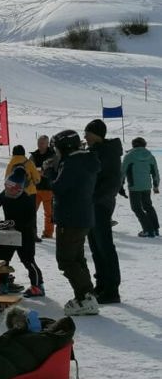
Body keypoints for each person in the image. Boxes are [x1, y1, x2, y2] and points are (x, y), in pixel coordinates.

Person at [50, 129, 101, 316]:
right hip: (82, 216)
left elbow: (59, 188)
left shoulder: (72, 162)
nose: (56, 152)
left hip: (70, 218)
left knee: (66, 260)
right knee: (77, 258)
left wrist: (49, 173)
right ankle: (86, 295)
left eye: (57, 148)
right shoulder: (85, 160)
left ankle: (86, 298)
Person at [84, 119, 123, 304]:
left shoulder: (109, 153)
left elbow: (113, 181)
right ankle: (101, 284)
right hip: (92, 204)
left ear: (97, 134)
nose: (85, 137)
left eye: (88, 133)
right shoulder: (95, 151)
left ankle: (112, 288)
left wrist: (96, 197)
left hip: (101, 204)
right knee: (95, 245)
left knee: (104, 245)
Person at [0, 167, 45, 297]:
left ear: (20, 188)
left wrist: (8, 224)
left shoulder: (27, 199)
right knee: (3, 260)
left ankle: (38, 285)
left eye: (13, 187)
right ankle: (3, 283)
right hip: (9, 234)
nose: (10, 190)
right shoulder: (4, 194)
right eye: (8, 185)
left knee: (28, 260)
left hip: (25, 235)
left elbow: (28, 220)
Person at [122, 137, 160, 238]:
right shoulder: (150, 156)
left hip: (134, 187)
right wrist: (156, 185)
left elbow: (122, 171)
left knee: (136, 208)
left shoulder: (129, 156)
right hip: (147, 185)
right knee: (148, 206)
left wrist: (120, 184)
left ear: (133, 145)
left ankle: (148, 230)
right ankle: (155, 229)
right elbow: (155, 172)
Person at [30, 135, 57, 239]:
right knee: (31, 212)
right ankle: (32, 232)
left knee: (49, 214)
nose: (40, 145)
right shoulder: (34, 155)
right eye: (39, 143)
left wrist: (43, 172)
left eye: (42, 143)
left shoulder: (53, 155)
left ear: (47, 143)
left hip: (48, 188)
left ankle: (48, 233)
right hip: (35, 189)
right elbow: (30, 169)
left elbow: (55, 169)